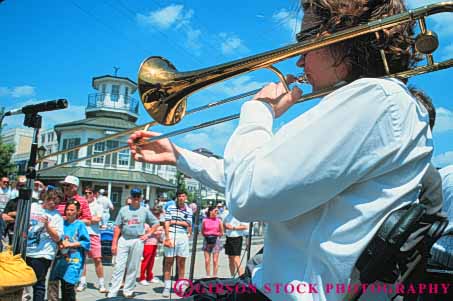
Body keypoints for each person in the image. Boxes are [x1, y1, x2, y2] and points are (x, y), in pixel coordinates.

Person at [128, 0, 434, 299]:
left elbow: (250, 194)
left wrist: (259, 111)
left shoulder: (377, 98)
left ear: (342, 34)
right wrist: (178, 156)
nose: (298, 60)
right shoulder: (378, 102)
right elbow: (259, 179)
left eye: (304, 40)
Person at [107, 188, 160, 298]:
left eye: (138, 196)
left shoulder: (144, 210)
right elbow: (117, 226)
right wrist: (114, 243)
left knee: (133, 266)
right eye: (134, 196)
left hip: (137, 239)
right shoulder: (123, 210)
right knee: (119, 266)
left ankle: (128, 290)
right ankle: (113, 291)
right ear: (131, 197)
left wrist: (148, 234)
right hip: (124, 238)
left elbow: (155, 223)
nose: (136, 198)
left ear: (140, 198)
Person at [24, 190, 64, 301]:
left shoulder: (57, 216)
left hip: (43, 254)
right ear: (46, 198)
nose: (54, 204)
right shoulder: (33, 206)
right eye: (52, 201)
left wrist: (47, 225)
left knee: (39, 284)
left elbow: (57, 237)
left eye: (57, 203)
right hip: (26, 250)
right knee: (20, 282)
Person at [48, 200, 90, 301]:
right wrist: (59, 243)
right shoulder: (61, 223)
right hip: (59, 259)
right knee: (53, 283)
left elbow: (86, 242)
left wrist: (70, 244)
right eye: (67, 209)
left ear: (78, 211)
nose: (69, 212)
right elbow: (56, 236)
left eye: (72, 210)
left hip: (74, 259)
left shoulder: (80, 225)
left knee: (68, 286)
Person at [76, 187, 107, 293]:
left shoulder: (98, 206)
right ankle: (82, 282)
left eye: (89, 193)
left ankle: (101, 283)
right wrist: (89, 219)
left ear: (94, 194)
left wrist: (84, 219)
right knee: (82, 260)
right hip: (81, 234)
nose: (87, 194)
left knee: (97, 259)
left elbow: (97, 219)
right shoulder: (80, 205)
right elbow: (78, 218)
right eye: (85, 193)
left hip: (94, 235)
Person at [162, 191, 192, 298]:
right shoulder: (170, 208)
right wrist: (167, 237)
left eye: (183, 196)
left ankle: (180, 286)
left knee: (181, 262)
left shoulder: (189, 210)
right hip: (171, 234)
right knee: (169, 261)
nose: (181, 198)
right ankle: (166, 287)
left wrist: (174, 221)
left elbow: (188, 223)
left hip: (182, 235)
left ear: (186, 197)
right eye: (179, 196)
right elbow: (166, 222)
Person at [1, 176, 37, 244]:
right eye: (20, 185)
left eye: (24, 185)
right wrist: (20, 219)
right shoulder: (12, 202)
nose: (22, 188)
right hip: (13, 232)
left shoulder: (34, 202)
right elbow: (4, 217)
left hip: (29, 235)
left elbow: (35, 218)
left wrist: (13, 214)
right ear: (17, 187)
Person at [139, 205, 164, 285]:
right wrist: (156, 231)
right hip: (147, 243)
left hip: (154, 242)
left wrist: (157, 232)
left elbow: (158, 231)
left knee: (151, 261)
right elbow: (148, 231)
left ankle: (149, 276)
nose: (158, 216)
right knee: (146, 261)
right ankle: (142, 277)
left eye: (158, 214)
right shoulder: (147, 222)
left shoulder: (157, 222)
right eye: (156, 214)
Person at [222, 209, 248, 276]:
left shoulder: (240, 215)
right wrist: (225, 226)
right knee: (230, 258)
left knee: (237, 259)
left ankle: (241, 276)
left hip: (237, 238)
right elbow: (223, 224)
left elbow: (245, 226)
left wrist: (233, 228)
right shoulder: (227, 214)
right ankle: (232, 276)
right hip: (229, 237)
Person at [201, 206, 224, 277]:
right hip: (207, 239)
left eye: (217, 211)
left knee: (215, 260)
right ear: (210, 211)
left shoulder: (219, 220)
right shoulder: (204, 220)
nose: (217, 212)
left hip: (216, 240)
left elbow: (222, 232)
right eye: (215, 211)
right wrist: (207, 235)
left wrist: (216, 236)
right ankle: (208, 275)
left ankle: (214, 275)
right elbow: (202, 231)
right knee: (207, 260)